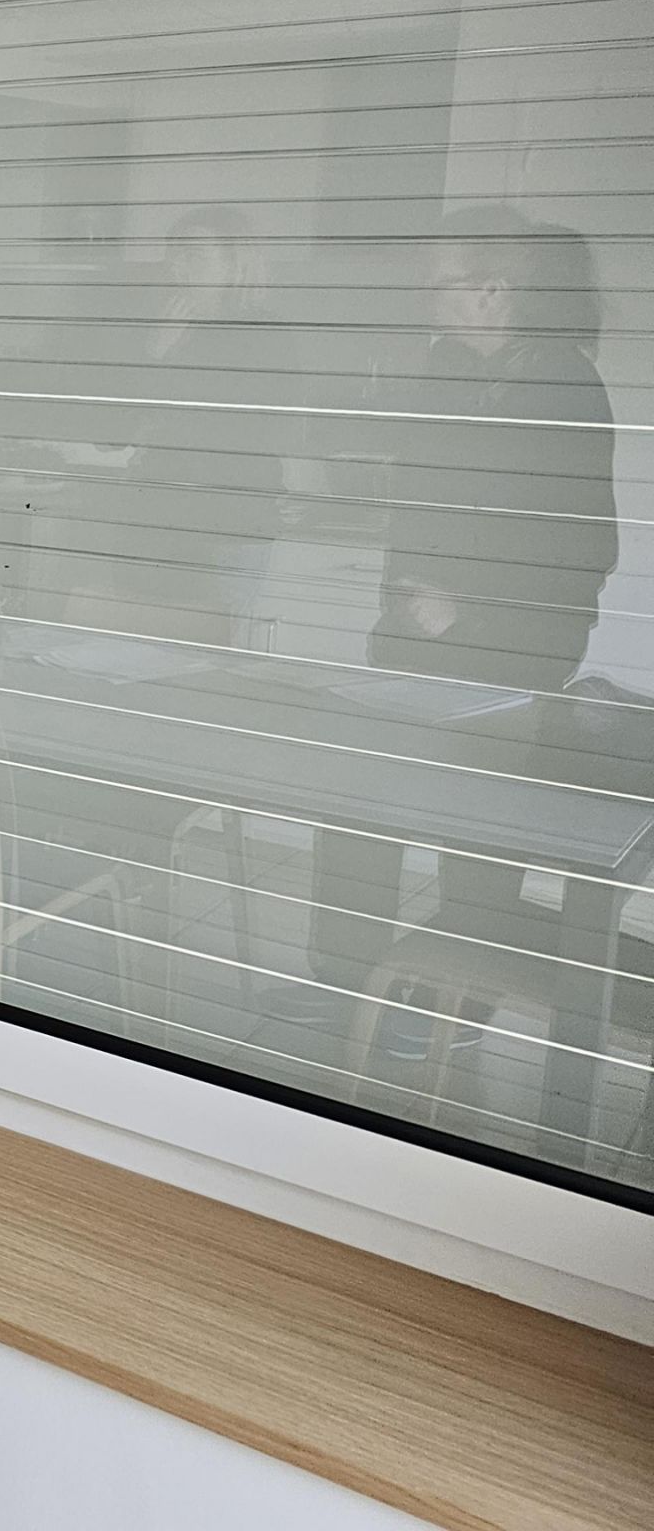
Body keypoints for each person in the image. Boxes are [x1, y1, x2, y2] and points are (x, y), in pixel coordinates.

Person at [299, 206, 617, 1041]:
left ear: (493, 291)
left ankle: (455, 1009)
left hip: (511, 646)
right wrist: (406, 593)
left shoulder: (564, 386)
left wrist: (467, 609)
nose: (426, 296)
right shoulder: (447, 366)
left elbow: (585, 547)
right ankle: (345, 985)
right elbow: (421, 492)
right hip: (411, 627)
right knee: (358, 797)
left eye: (438, 282)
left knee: (477, 836)